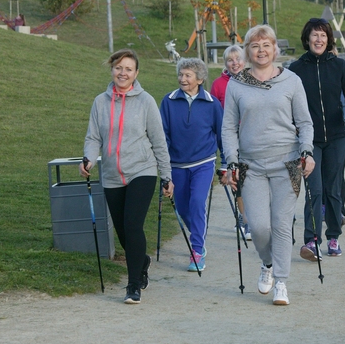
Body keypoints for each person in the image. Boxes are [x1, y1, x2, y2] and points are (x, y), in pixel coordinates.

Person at [222, 24, 315, 306]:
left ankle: (282, 283)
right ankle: (268, 264)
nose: (261, 50)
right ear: (248, 51)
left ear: (275, 49)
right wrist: (232, 160)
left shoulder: (292, 81)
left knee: (281, 223)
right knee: (260, 226)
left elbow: (305, 122)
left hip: (287, 163)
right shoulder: (236, 84)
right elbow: (228, 128)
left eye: (266, 45)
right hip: (251, 164)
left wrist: (307, 151)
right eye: (255, 45)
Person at [81, 48, 174, 305]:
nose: (123, 73)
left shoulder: (145, 101)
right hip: (111, 174)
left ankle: (133, 285)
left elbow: (159, 142)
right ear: (112, 69)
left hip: (142, 170)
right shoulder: (100, 102)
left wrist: (166, 176)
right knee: (123, 231)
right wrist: (88, 158)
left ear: (136, 73)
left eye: (128, 69)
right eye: (119, 67)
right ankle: (141, 259)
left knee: (133, 225)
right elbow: (93, 137)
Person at [288, 17, 345, 261]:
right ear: (307, 39)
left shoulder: (339, 66)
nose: (319, 39)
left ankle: (333, 236)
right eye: (314, 35)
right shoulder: (296, 69)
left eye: (323, 35)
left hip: (337, 137)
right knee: (314, 189)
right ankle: (311, 240)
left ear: (329, 39)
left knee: (332, 189)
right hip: (309, 140)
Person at [160, 58, 225, 272]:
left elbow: (221, 134)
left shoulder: (212, 103)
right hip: (177, 164)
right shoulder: (168, 101)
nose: (182, 78)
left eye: (187, 75)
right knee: (182, 208)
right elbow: (164, 135)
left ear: (200, 79)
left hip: (203, 162)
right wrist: (164, 165)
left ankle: (197, 249)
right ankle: (197, 231)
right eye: (181, 74)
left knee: (197, 201)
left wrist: (225, 161)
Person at [210, 45, 251, 240]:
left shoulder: (253, 79)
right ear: (225, 63)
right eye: (230, 60)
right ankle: (245, 219)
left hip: (253, 137)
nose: (235, 63)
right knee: (239, 180)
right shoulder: (219, 84)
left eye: (238, 59)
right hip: (230, 137)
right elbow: (214, 112)